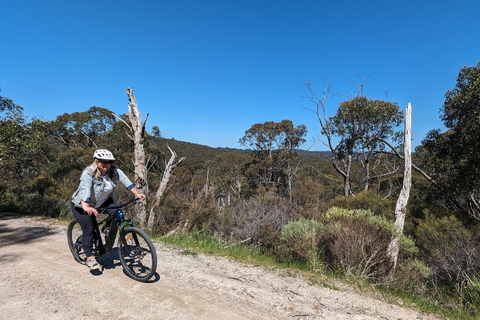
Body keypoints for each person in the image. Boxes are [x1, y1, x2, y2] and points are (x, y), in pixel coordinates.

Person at [71, 149, 146, 270]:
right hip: (82, 205)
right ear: (97, 161)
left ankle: (106, 228)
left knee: (117, 212)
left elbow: (127, 182)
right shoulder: (88, 172)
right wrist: (86, 206)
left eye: (109, 162)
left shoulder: (114, 171)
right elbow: (85, 188)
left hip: (103, 202)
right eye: (103, 162)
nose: (106, 165)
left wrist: (137, 194)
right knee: (89, 230)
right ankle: (90, 258)